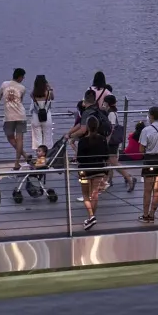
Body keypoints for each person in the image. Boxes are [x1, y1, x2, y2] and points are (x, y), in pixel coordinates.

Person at [68, 95, 111, 231]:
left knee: (86, 195)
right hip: (99, 170)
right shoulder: (102, 139)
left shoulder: (83, 141)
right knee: (95, 194)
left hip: (85, 171)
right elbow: (106, 155)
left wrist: (73, 146)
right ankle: (92, 216)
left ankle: (91, 216)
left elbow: (79, 158)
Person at [0, 68, 29, 164]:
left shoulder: (4, 84)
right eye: (23, 77)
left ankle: (24, 156)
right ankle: (18, 161)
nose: (23, 79)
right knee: (20, 139)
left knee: (10, 137)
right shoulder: (22, 88)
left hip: (9, 117)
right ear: (20, 77)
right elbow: (20, 101)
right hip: (21, 115)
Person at [29, 74, 56, 162]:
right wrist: (49, 87)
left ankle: (39, 159)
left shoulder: (33, 94)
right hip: (47, 117)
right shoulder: (48, 93)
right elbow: (53, 97)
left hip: (36, 117)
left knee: (37, 139)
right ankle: (46, 159)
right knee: (47, 137)